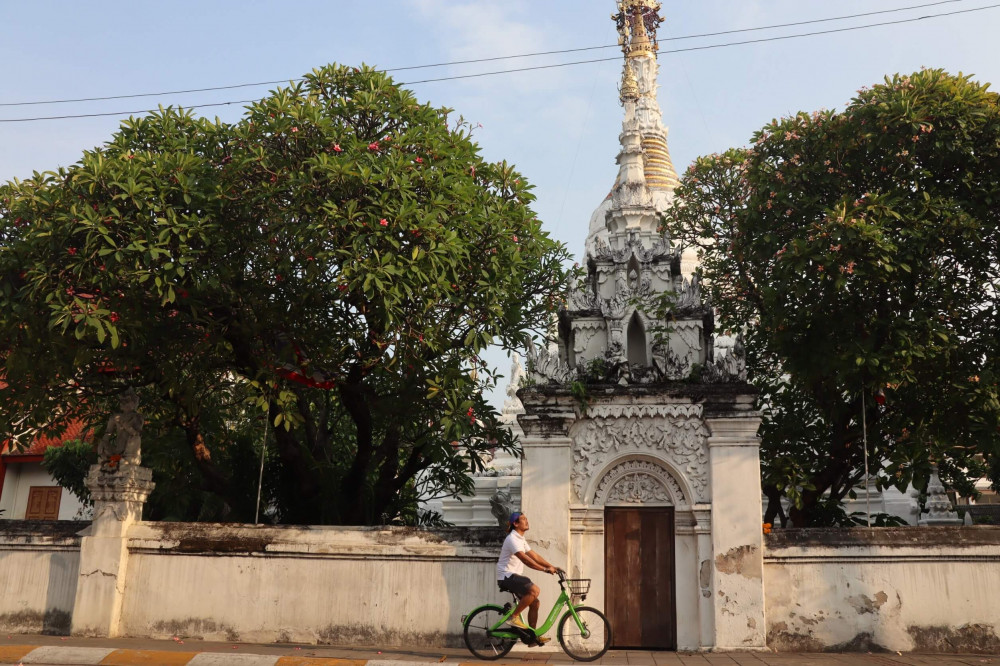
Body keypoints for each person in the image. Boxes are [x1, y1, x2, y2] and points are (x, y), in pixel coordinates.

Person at [497, 512, 560, 644]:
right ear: (515, 523)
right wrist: (544, 569)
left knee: (535, 603)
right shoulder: (512, 539)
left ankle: (532, 637)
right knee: (535, 590)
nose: (527, 521)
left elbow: (534, 556)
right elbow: (525, 560)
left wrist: (552, 566)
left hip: (514, 576)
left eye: (527, 518)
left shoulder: (521, 539)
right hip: (506, 576)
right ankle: (513, 617)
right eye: (523, 519)